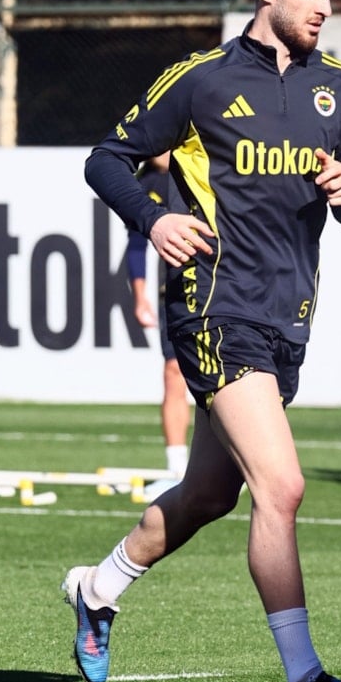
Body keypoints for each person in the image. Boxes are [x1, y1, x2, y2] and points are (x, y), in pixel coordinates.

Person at [63, 0, 341, 682]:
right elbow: (106, 158)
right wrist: (153, 219)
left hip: (287, 317)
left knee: (209, 493)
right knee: (282, 486)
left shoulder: (338, 87)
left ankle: (97, 589)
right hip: (214, 307)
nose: (325, 7)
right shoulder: (200, 79)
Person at [126, 153, 191, 499]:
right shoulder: (147, 184)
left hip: (222, 287)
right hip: (176, 290)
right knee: (173, 371)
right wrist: (140, 296)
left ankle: (231, 465)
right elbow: (137, 245)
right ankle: (177, 470)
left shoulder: (206, 163)